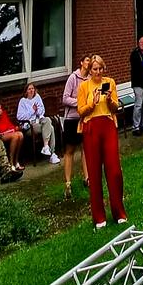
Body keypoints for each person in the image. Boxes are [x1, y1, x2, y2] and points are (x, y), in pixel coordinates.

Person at [77, 54, 128, 229]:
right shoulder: (84, 86)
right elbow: (80, 111)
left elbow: (115, 107)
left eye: (100, 69)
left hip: (107, 124)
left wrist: (109, 99)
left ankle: (118, 211)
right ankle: (99, 216)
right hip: (91, 127)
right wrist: (92, 104)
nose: (98, 72)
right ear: (89, 70)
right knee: (94, 171)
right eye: (95, 69)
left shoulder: (109, 82)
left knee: (114, 170)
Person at [62, 54, 91, 199]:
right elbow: (65, 98)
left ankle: (87, 178)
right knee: (70, 150)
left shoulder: (90, 79)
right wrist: (80, 103)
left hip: (84, 118)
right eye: (87, 60)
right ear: (81, 63)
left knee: (85, 148)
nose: (89, 63)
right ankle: (68, 182)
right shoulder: (73, 78)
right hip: (72, 119)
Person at [17, 82, 60, 164]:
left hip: (39, 121)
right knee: (51, 128)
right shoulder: (23, 101)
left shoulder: (37, 97)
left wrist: (37, 111)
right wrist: (32, 110)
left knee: (47, 119)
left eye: (32, 89)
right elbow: (19, 117)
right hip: (30, 125)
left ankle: (46, 147)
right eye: (29, 89)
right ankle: (52, 154)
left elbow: (42, 111)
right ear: (26, 91)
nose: (31, 90)